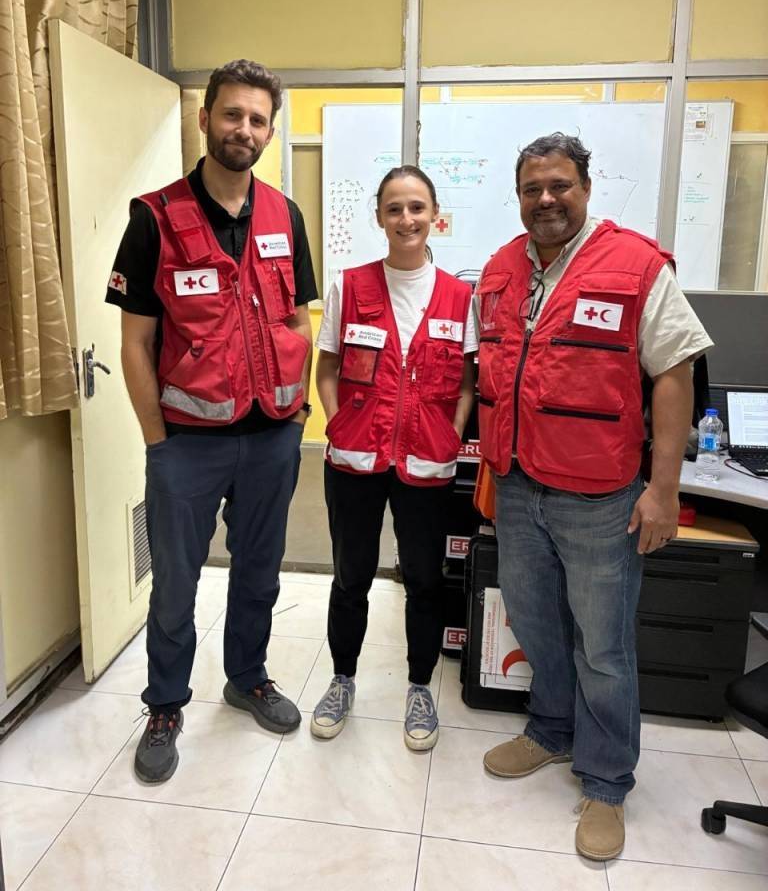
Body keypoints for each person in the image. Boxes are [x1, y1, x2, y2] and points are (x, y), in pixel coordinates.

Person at [476, 133, 712, 860]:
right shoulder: (500, 269)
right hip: (518, 486)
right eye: (531, 189)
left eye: (559, 186)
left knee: (604, 647)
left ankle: (606, 779)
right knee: (537, 624)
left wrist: (663, 489)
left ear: (585, 187)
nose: (545, 200)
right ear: (517, 196)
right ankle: (550, 730)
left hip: (601, 497)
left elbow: (673, 373)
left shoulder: (636, 265)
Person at [105, 60, 318, 783]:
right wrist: (157, 444)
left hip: (271, 438)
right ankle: (165, 703)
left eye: (258, 119)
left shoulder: (285, 216)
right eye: (232, 115)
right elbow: (135, 342)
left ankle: (246, 676)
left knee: (258, 574)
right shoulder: (155, 217)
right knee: (174, 585)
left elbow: (297, 319)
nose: (244, 130)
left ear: (268, 128)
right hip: (187, 447)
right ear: (205, 119)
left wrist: (295, 418)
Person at [311, 166, 477, 750]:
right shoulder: (350, 285)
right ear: (379, 217)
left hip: (428, 463)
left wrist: (452, 434)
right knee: (350, 577)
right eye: (394, 208)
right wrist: (337, 421)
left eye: (417, 208)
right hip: (356, 457)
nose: (406, 219)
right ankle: (341, 678)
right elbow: (326, 367)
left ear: (435, 216)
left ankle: (419, 689)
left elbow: (464, 382)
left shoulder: (462, 296)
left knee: (425, 581)